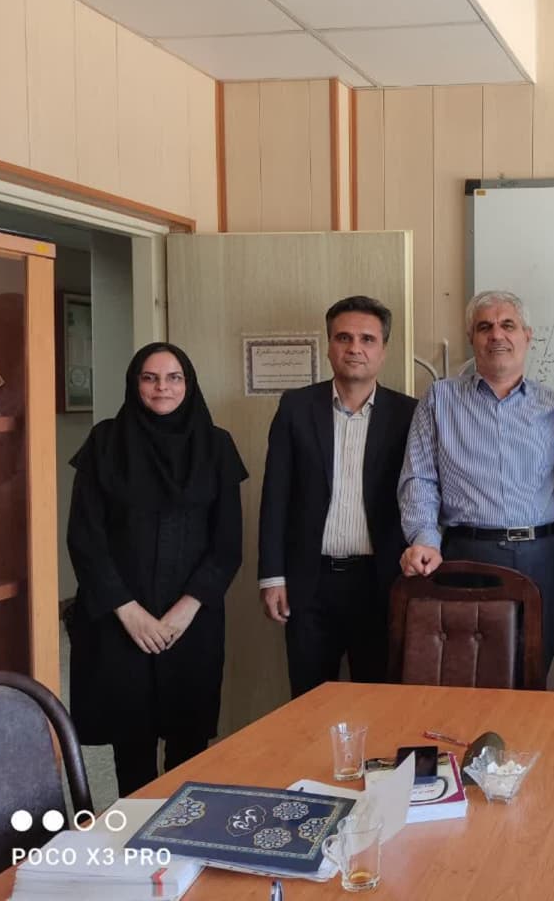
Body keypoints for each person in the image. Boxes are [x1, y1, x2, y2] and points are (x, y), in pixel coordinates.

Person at [66, 343, 247, 796]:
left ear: (189, 384)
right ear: (135, 384)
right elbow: (85, 539)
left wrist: (185, 610)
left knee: (190, 744)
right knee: (132, 749)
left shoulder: (216, 445)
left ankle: (185, 834)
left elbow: (227, 544)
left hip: (191, 621)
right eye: (150, 378)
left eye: (173, 378)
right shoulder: (106, 443)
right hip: (119, 621)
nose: (162, 387)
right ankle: (135, 836)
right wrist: (129, 612)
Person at [398, 290, 554, 670]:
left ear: (527, 335)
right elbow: (419, 479)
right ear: (471, 337)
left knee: (533, 674)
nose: (496, 335)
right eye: (485, 327)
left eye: (508, 325)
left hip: (543, 558)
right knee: (467, 675)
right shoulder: (439, 400)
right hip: (466, 557)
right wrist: (424, 539)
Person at [258, 296, 417, 696]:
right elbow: (275, 496)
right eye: (343, 338)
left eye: (367, 339)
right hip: (309, 581)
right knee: (309, 699)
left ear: (383, 349)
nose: (354, 348)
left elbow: (422, 493)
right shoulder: (296, 407)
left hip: (380, 582)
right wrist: (272, 576)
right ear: (329, 345)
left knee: (381, 698)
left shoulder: (409, 414)